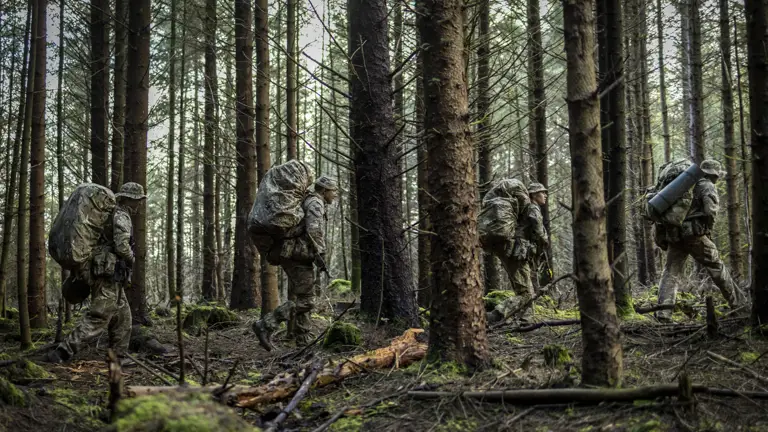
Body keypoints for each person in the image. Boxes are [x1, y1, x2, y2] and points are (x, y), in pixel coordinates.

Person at [44, 182, 146, 363]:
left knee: (122, 315)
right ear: (130, 199)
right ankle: (62, 352)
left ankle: (118, 356)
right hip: (107, 273)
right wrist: (132, 258)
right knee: (100, 316)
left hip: (105, 270)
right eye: (138, 200)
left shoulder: (111, 214)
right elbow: (122, 247)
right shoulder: (121, 215)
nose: (139, 205)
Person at [253, 175, 338, 350]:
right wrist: (321, 255)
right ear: (323, 190)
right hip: (297, 255)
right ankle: (266, 324)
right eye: (332, 191)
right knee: (308, 301)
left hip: (295, 254)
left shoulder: (310, 200)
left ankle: (303, 342)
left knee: (304, 297)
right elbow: (314, 230)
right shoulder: (315, 202)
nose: (334, 195)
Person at [655, 159, 745, 322]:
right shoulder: (707, 185)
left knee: (670, 272)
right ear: (714, 174)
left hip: (675, 235)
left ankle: (663, 313)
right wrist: (707, 230)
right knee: (717, 267)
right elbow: (710, 212)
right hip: (695, 236)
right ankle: (739, 306)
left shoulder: (685, 185)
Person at [488, 181, 549, 323]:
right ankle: (497, 314)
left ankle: (525, 319)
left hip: (514, 251)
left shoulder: (524, 208)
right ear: (533, 194)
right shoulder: (533, 208)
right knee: (526, 293)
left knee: (524, 290)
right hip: (518, 252)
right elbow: (538, 230)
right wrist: (544, 240)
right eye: (542, 192)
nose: (545, 195)